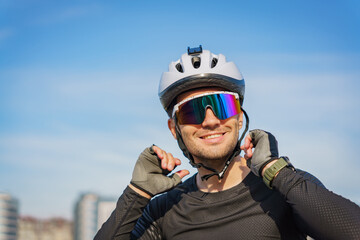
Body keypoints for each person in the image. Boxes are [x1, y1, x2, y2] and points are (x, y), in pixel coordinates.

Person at [95, 46, 360, 240]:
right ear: (174, 129)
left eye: (222, 105)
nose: (210, 121)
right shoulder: (164, 209)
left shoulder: (284, 186)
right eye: (192, 111)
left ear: (238, 115)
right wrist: (136, 194)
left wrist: (276, 172)